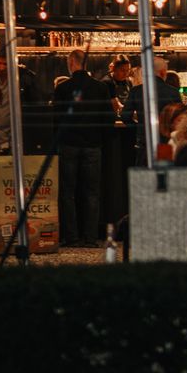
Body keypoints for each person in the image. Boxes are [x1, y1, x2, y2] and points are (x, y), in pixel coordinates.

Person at [52, 49, 114, 247]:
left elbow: (56, 119)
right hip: (93, 145)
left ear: (71, 63)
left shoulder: (62, 88)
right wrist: (100, 138)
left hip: (69, 144)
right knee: (92, 193)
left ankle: (71, 237)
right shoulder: (100, 88)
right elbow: (108, 118)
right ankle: (90, 237)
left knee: (67, 192)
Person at [122, 55, 182, 161]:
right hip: (165, 141)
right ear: (163, 73)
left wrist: (138, 127)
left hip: (144, 141)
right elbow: (179, 118)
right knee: (164, 173)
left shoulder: (136, 91)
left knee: (143, 173)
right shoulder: (173, 92)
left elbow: (125, 116)